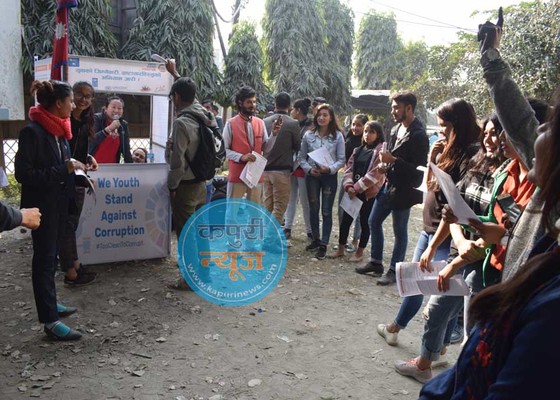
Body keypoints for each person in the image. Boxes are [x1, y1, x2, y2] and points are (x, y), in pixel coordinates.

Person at [377, 98, 481, 349]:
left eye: (444, 125)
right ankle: (429, 341)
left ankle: (421, 342)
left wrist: (434, 246)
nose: (441, 130)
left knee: (436, 289)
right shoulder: (448, 148)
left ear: (459, 124)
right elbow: (431, 185)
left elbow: (455, 203)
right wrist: (433, 158)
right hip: (430, 227)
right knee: (419, 282)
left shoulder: (471, 156)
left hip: (444, 232)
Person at [15, 80, 90, 341]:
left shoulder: (59, 129)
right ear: (58, 103)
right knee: (44, 260)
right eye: (70, 101)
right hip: (42, 209)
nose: (73, 105)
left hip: (59, 205)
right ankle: (49, 321)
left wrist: (79, 169)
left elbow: (63, 166)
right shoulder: (32, 132)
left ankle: (51, 302)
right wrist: (64, 169)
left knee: (52, 259)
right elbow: (24, 175)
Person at [356, 92, 429, 285]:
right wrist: (385, 166)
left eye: (397, 107)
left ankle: (393, 271)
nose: (393, 111)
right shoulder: (396, 129)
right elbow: (390, 158)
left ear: (409, 108)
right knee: (373, 221)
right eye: (393, 107)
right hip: (389, 185)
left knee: (399, 231)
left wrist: (394, 160)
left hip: (405, 191)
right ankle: (375, 262)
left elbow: (419, 169)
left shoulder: (419, 135)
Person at [59, 81, 98, 288]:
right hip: (65, 180)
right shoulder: (63, 120)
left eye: (88, 96)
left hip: (80, 178)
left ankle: (74, 264)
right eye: (79, 94)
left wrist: (88, 157)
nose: (83, 99)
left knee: (71, 225)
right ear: (71, 96)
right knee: (67, 226)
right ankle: (71, 272)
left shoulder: (86, 120)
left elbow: (78, 149)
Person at [332, 121, 385, 261]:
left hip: (368, 193)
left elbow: (375, 174)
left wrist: (356, 188)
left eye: (371, 132)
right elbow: (349, 168)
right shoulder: (358, 150)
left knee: (364, 222)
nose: (367, 134)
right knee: (346, 220)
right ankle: (341, 249)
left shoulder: (380, 152)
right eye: (366, 131)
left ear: (378, 134)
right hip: (353, 192)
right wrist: (349, 186)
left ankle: (359, 253)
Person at [298, 104, 345, 260]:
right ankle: (315, 239)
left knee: (326, 210)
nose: (322, 118)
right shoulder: (308, 135)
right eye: (319, 115)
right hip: (312, 175)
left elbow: (341, 159)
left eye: (325, 115)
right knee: (313, 207)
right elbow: (301, 158)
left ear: (331, 118)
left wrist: (329, 169)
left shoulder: (338, 136)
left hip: (329, 177)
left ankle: (324, 243)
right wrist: (309, 170)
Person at [222, 86, 281, 203]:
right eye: (249, 102)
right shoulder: (230, 124)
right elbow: (224, 150)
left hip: (255, 175)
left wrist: (274, 134)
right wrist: (241, 157)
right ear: (240, 103)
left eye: (254, 102)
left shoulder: (260, 122)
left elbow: (266, 148)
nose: (253, 105)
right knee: (232, 211)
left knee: (254, 210)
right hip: (237, 175)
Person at [262, 92, 301, 225]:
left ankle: (265, 233)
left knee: (267, 206)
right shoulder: (293, 123)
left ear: (275, 104)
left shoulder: (265, 121)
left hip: (266, 169)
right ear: (289, 105)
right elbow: (298, 146)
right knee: (279, 208)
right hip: (282, 170)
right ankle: (270, 235)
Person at [337, 114, 369, 253]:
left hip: (361, 183)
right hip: (347, 179)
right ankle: (342, 241)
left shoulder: (367, 145)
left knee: (359, 215)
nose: (355, 128)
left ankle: (355, 240)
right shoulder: (348, 138)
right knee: (342, 209)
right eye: (354, 124)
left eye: (359, 125)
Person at [284, 98, 313, 240]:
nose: (291, 112)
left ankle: (309, 230)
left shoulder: (311, 126)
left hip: (304, 167)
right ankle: (287, 227)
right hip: (292, 166)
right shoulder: (293, 124)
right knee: (291, 198)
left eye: (293, 110)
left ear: (298, 111)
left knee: (305, 201)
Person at [89, 96, 133, 163]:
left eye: (119, 108)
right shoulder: (96, 119)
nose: (116, 111)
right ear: (106, 109)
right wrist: (108, 129)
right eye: (113, 107)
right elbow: (91, 141)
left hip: (112, 166)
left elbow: (126, 150)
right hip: (93, 164)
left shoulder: (123, 125)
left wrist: (131, 166)